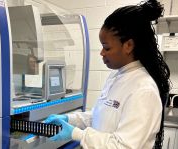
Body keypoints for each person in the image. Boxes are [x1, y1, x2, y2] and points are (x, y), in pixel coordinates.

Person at [45, 0, 171, 148]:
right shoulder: (116, 76)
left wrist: (75, 133)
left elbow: (123, 146)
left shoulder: (143, 90)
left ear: (128, 46)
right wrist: (69, 119)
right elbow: (99, 117)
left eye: (107, 47)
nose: (101, 53)